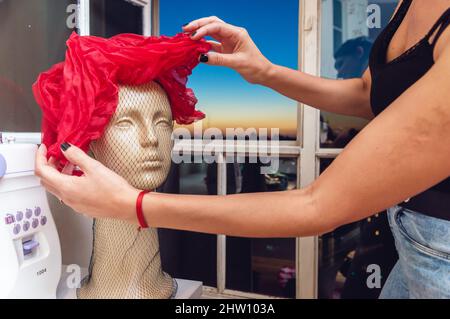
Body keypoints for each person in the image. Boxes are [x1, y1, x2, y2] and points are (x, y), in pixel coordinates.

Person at [36, 0, 450, 298]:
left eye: (162, 122)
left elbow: (317, 204)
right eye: (128, 122)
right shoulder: (407, 5)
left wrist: (135, 205)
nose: (150, 140)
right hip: (410, 242)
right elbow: (368, 94)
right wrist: (265, 72)